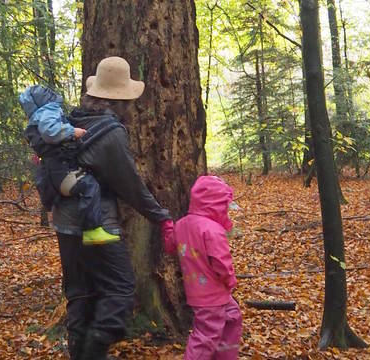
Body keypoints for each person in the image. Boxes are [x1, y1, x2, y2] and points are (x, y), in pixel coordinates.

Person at [49, 56, 174, 360]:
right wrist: (161, 217)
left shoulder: (72, 120)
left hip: (65, 222)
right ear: (120, 100)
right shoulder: (111, 133)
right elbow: (128, 183)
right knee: (120, 289)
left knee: (80, 293)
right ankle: (94, 351)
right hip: (97, 223)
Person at [19, 85, 119, 244]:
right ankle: (92, 229)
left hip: (56, 173)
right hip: (62, 173)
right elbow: (51, 132)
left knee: (86, 183)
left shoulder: (36, 118)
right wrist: (72, 132)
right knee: (90, 185)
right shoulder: (47, 112)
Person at [164, 175, 242, 360]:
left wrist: (168, 226)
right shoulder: (213, 230)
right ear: (216, 204)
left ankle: (224, 356)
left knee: (233, 316)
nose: (227, 209)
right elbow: (221, 262)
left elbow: (170, 246)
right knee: (206, 335)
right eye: (225, 204)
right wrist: (230, 280)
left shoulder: (182, 224)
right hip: (212, 296)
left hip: (203, 293)